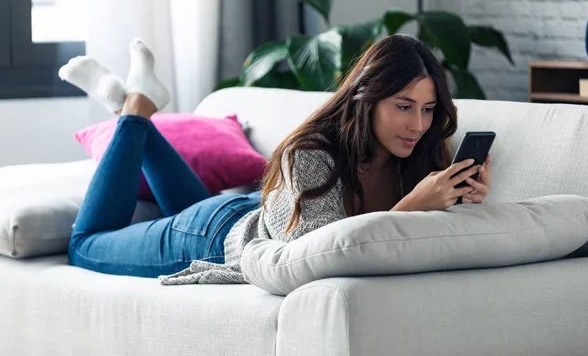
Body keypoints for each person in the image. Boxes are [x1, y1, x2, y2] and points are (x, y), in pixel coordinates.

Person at [58, 35, 492, 285]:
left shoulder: (422, 155)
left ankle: (130, 106)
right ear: (368, 98)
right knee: (84, 246)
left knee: (181, 202)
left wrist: (461, 200)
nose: (418, 124)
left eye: (428, 108)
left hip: (255, 212)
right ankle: (134, 109)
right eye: (403, 106)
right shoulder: (312, 153)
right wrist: (412, 207)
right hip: (214, 235)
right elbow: (314, 257)